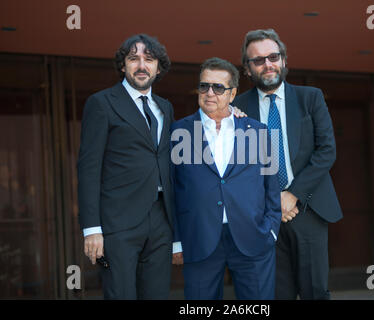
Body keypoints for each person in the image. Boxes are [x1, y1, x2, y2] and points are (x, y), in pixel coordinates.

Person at [232, 29, 343, 300]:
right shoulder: (236, 106)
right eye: (258, 60)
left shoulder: (310, 98)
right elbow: (235, 167)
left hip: (308, 207)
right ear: (247, 68)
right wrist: (273, 201)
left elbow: (326, 151)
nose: (267, 64)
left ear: (283, 60)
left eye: (273, 56)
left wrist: (291, 195)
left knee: (314, 291)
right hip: (263, 216)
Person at [170, 57, 281, 300]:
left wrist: (271, 229)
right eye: (204, 86)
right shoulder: (178, 132)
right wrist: (177, 241)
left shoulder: (259, 132)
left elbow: (271, 186)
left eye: (218, 88)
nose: (209, 93)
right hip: (198, 238)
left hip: (253, 236)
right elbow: (172, 191)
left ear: (232, 95)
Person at [77, 34, 175, 299]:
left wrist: (230, 113)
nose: (141, 65)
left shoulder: (165, 108)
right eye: (134, 59)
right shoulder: (102, 103)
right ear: (123, 65)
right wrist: (92, 229)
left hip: (161, 219)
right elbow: (88, 168)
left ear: (158, 67)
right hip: (118, 222)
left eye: (149, 59)